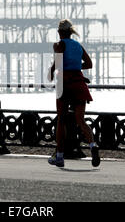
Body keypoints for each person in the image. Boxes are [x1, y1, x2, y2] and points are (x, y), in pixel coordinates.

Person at [47, 19, 100, 168]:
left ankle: (59, 157)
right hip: (78, 82)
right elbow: (89, 64)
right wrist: (76, 67)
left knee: (61, 120)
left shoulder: (58, 45)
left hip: (64, 83)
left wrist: (50, 73)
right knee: (81, 120)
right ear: (70, 32)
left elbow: (58, 63)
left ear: (59, 32)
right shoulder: (78, 46)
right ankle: (93, 145)